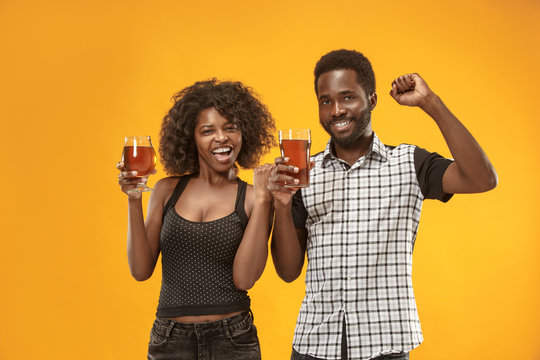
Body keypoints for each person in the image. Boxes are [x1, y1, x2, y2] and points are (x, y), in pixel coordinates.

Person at [268, 49, 497, 360]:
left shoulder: (409, 163)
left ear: (372, 100)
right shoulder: (304, 175)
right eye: (326, 101)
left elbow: (482, 179)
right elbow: (288, 271)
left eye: (348, 97)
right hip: (314, 346)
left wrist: (430, 102)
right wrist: (282, 205)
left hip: (384, 346)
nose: (336, 110)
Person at [117, 79, 276, 360]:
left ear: (244, 133)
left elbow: (245, 279)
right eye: (208, 131)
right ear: (191, 137)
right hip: (170, 339)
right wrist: (133, 199)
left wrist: (264, 200)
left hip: (233, 339)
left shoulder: (253, 197)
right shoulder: (167, 190)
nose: (221, 138)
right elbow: (141, 270)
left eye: (230, 127)